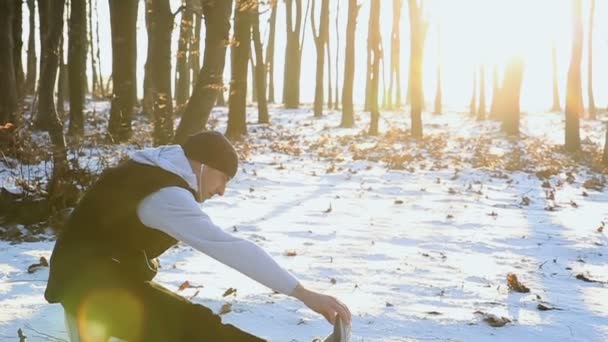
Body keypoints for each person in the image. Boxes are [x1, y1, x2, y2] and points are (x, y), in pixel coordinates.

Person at [45, 131, 351, 341]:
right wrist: (304, 293)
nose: (221, 190)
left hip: (96, 282)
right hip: (89, 289)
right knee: (198, 329)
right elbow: (230, 248)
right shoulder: (164, 194)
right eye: (222, 179)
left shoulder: (151, 171)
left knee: (195, 325)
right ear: (204, 166)